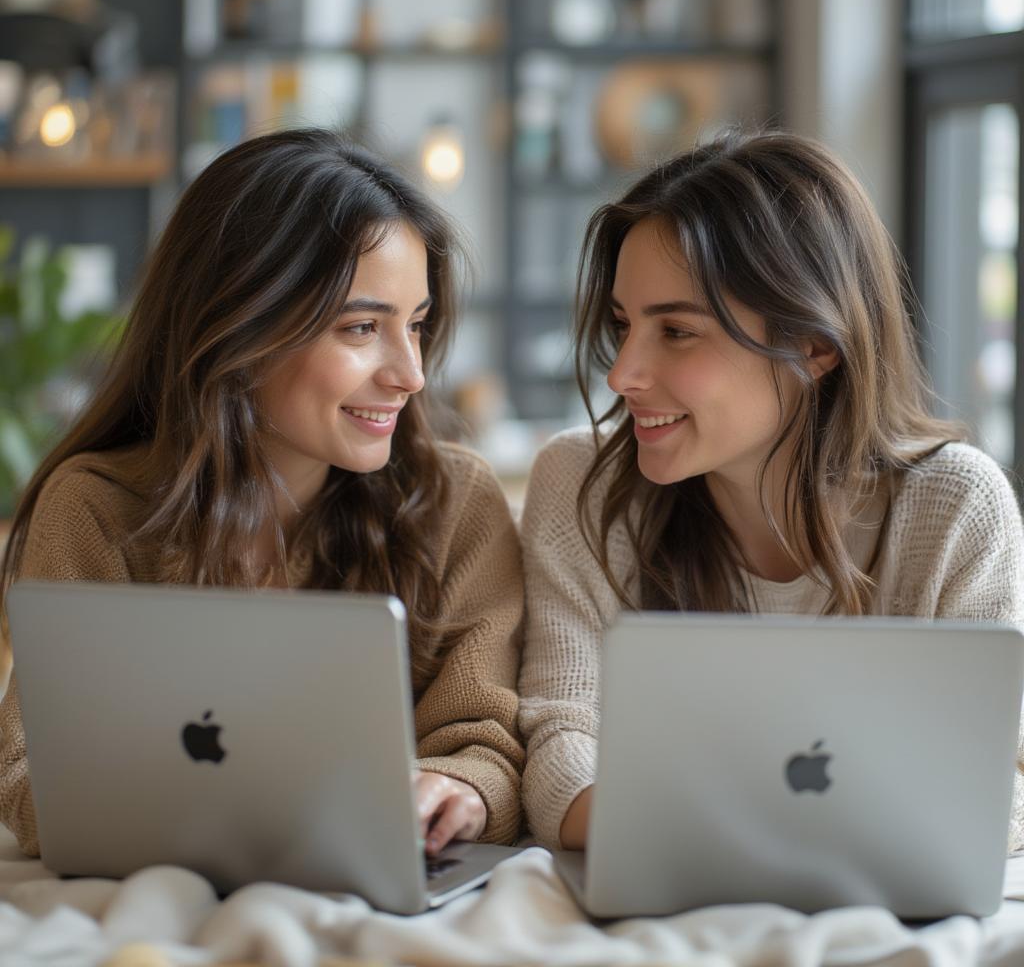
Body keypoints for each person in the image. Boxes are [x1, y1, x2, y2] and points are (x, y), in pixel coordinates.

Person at [0, 128, 524, 857]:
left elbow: (485, 743)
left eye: (418, 325)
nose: (411, 373)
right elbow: (31, 779)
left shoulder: (455, 502)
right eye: (363, 327)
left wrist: (454, 790)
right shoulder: (94, 507)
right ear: (239, 327)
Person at [518, 131, 1024, 851]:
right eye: (625, 325)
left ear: (815, 346)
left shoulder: (953, 507)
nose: (622, 373)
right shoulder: (581, 487)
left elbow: (993, 795)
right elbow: (561, 740)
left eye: (678, 332)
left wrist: (710, 829)